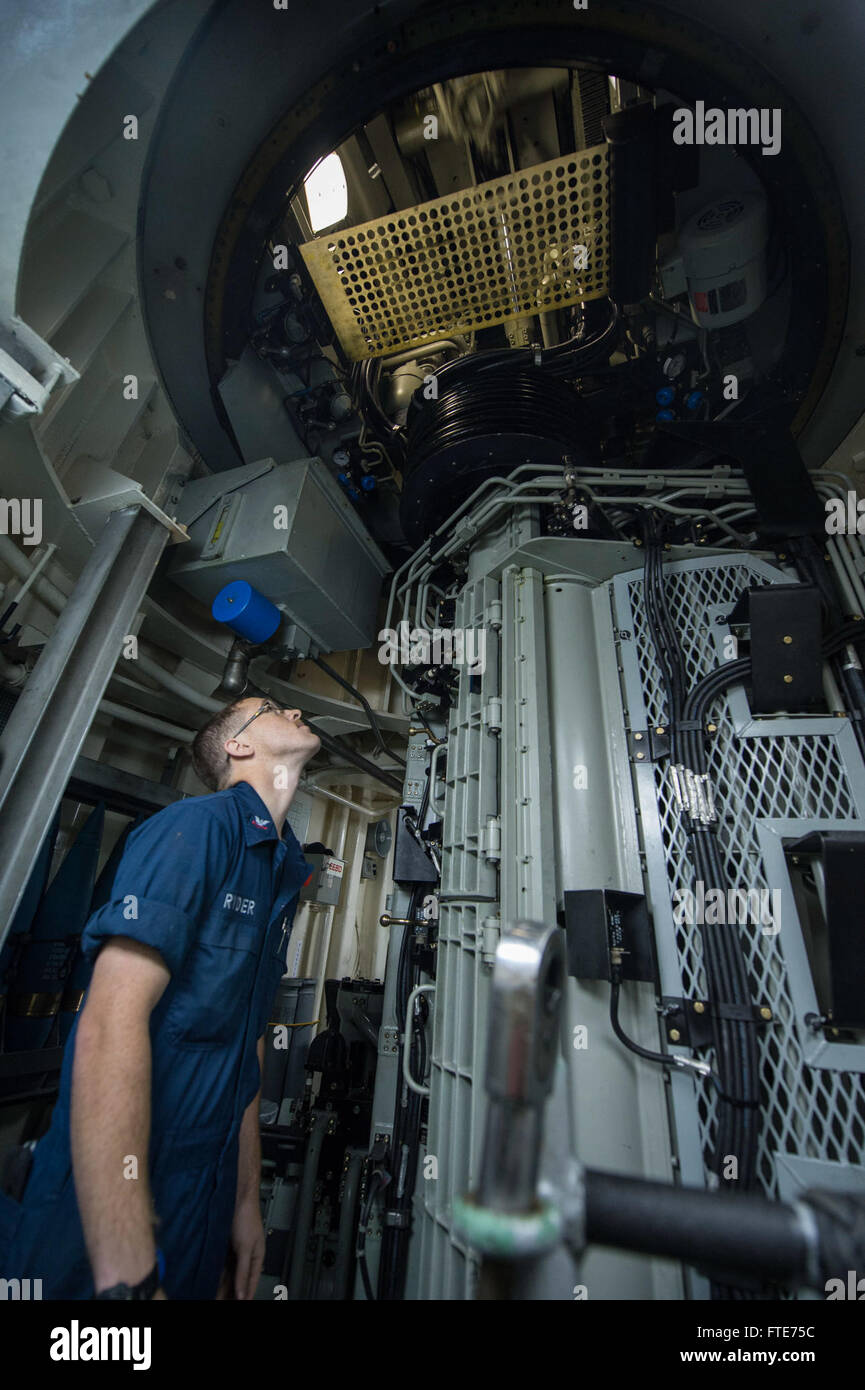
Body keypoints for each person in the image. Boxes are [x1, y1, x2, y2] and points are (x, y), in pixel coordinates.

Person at [0, 697, 320, 1300]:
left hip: (205, 1191)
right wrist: (127, 1272)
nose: (297, 709)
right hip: (112, 1195)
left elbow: (245, 1046)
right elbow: (109, 1021)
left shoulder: (281, 869)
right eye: (274, 707)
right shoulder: (198, 829)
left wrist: (244, 1203)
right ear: (239, 746)